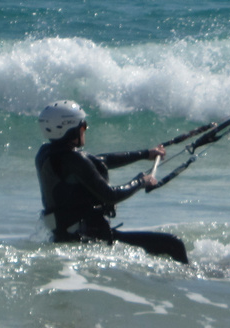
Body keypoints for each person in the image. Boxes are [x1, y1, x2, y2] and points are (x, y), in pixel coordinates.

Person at [35, 100, 190, 264]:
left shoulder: (46, 153)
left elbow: (101, 159)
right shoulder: (75, 159)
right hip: (88, 238)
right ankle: (189, 282)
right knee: (174, 244)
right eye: (83, 126)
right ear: (72, 129)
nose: (84, 130)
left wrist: (145, 154)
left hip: (66, 235)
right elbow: (111, 195)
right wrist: (140, 181)